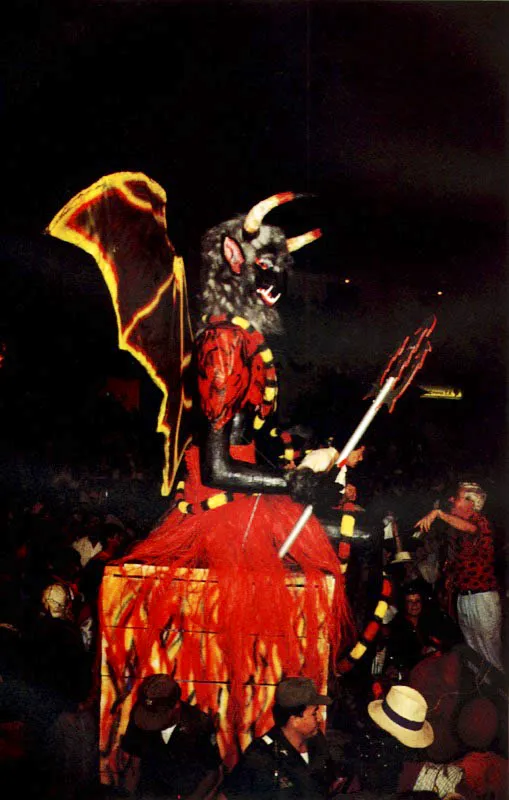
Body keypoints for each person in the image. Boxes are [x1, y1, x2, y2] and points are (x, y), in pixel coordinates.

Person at [415, 481, 504, 672]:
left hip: (482, 598)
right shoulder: (457, 531)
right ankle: (481, 697)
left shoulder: (481, 522)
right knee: (474, 656)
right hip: (465, 597)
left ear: (470, 504)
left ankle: (499, 698)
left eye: (457, 497)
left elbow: (470, 529)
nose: (451, 500)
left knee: (490, 656)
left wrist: (438, 513)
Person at [219, 677, 343, 799]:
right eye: (314, 713)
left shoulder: (317, 741)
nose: (320, 718)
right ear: (294, 720)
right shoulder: (261, 756)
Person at [120, 673, 222, 799]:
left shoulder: (199, 724)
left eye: (156, 715)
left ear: (176, 707)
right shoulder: (139, 716)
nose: (149, 721)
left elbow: (212, 773)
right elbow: (134, 766)